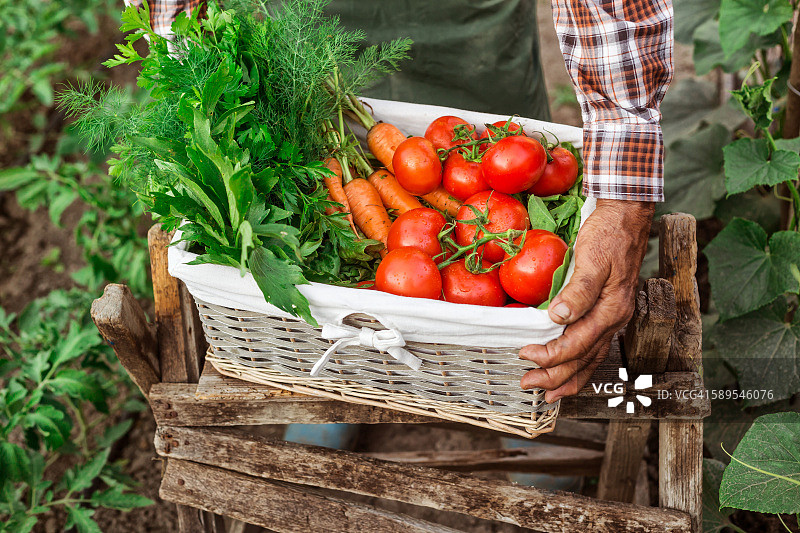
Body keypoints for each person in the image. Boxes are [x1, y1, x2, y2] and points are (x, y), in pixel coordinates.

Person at [132, 0, 671, 404]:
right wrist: (196, 80)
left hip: (473, 30)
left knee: (503, 155)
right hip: (305, 23)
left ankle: (517, 393)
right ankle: (343, 384)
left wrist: (623, 195)